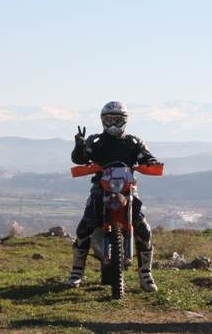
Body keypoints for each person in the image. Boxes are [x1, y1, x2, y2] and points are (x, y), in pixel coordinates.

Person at [67, 101, 161, 292]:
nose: (113, 124)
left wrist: (151, 161)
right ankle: (77, 272)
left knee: (143, 228)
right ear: (102, 121)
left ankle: (146, 274)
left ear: (124, 121)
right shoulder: (95, 141)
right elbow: (80, 159)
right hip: (101, 187)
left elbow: (146, 156)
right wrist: (79, 146)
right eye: (109, 120)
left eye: (117, 120)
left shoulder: (134, 142)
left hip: (128, 189)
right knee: (85, 225)